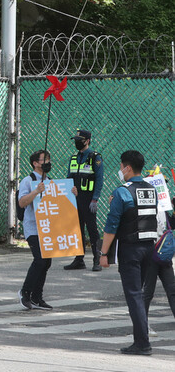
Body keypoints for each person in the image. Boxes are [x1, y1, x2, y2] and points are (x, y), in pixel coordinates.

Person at [99, 150, 159, 356]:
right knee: (139, 295)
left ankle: (142, 343)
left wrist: (103, 253)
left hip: (131, 250)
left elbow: (111, 226)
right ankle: (140, 340)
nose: (120, 171)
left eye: (121, 167)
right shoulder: (151, 189)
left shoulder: (122, 192)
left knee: (133, 296)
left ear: (128, 168)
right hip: (149, 248)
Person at [17, 149, 76, 310]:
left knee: (46, 262)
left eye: (49, 159)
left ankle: (37, 297)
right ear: (35, 163)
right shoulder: (27, 181)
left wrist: (71, 194)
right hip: (33, 228)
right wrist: (36, 191)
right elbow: (22, 202)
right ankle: (25, 292)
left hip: (49, 229)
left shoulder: (50, 181)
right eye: (44, 160)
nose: (48, 163)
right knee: (40, 260)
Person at [65, 129, 105, 271]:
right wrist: (70, 188)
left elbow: (99, 180)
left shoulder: (95, 157)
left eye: (79, 139)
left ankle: (97, 260)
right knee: (77, 229)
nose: (77, 142)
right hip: (75, 198)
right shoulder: (74, 158)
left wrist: (95, 199)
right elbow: (69, 177)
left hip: (88, 199)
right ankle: (79, 259)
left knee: (92, 230)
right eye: (75, 139)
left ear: (87, 141)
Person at [143, 203, 175, 336]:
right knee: (148, 292)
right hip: (150, 252)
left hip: (164, 253)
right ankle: (142, 326)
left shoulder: (164, 207)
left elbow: (171, 225)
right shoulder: (143, 206)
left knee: (172, 289)